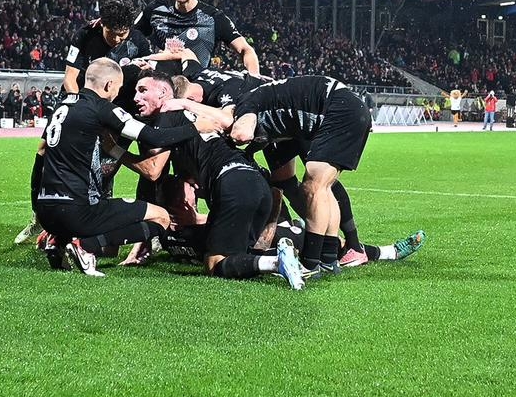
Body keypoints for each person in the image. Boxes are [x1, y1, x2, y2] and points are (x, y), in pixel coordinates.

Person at [122, 74, 304, 288]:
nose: (136, 97)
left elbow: (152, 170)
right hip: (255, 183)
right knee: (241, 254)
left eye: (143, 90)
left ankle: (276, 262)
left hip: (232, 183)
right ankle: (311, 247)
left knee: (213, 263)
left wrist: (116, 151)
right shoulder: (197, 119)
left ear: (163, 93)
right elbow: (273, 189)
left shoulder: (166, 118)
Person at [15, 0, 149, 245]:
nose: (119, 39)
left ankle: (98, 228)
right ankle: (38, 216)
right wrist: (82, 110)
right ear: (102, 25)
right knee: (44, 149)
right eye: (113, 33)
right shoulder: (86, 34)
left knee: (106, 164)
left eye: (123, 34)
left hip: (115, 108)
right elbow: (70, 78)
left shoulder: (139, 42)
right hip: (77, 103)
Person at [215, 74, 372, 278]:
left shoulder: (246, 103)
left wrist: (230, 138)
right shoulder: (273, 103)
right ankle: (328, 258)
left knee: (313, 186)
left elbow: (241, 134)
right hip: (348, 107)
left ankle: (309, 263)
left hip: (340, 111)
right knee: (324, 188)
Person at [34, 58, 173, 276]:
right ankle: (85, 246)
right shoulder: (101, 108)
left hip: (46, 211)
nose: (119, 94)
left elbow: (41, 153)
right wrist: (196, 126)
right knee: (161, 217)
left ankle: (58, 240)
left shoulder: (62, 106)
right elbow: (154, 141)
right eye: (118, 88)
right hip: (77, 211)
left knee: (109, 244)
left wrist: (37, 205)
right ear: (109, 85)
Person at [133, 0, 259, 78]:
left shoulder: (213, 18)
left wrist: (254, 79)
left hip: (195, 87)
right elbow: (131, 37)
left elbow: (245, 49)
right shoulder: (156, 9)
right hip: (159, 86)